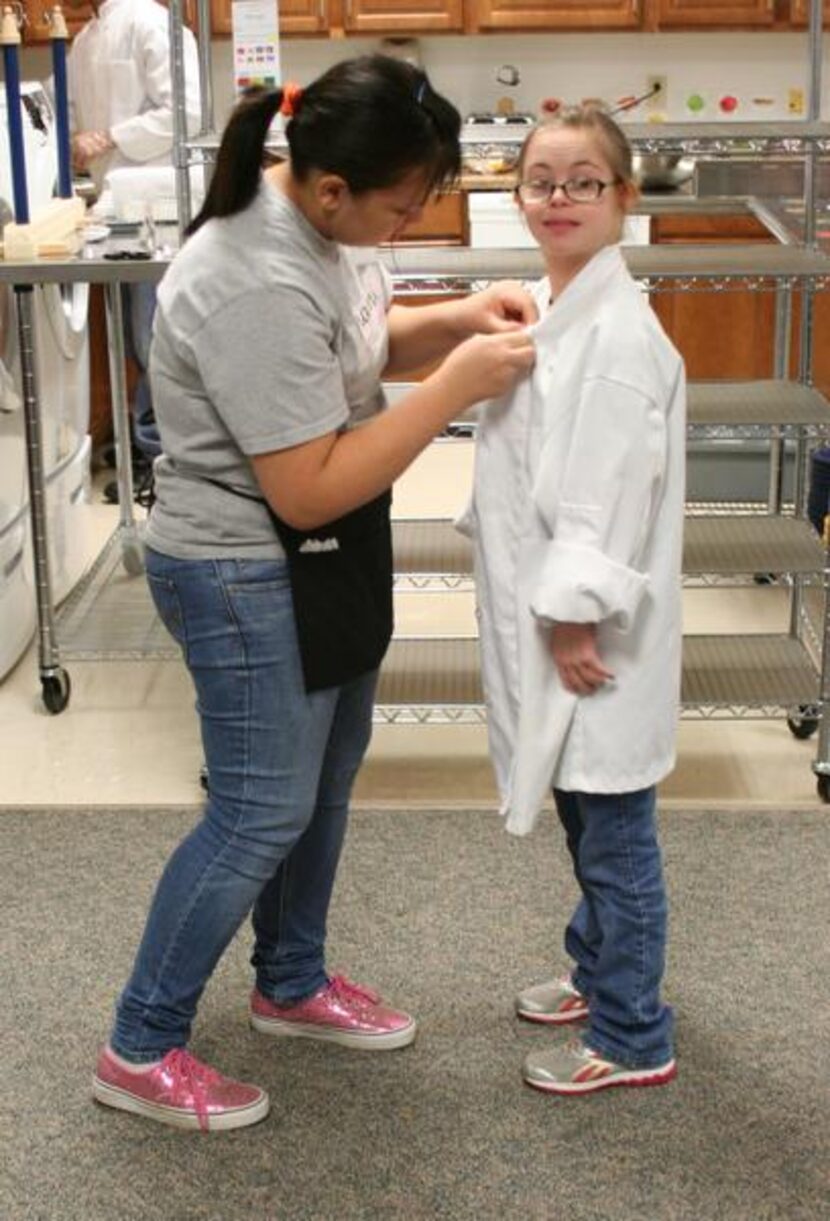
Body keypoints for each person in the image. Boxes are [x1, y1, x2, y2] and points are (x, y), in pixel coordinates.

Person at [91, 55, 537, 1133]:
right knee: (257, 813)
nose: (406, 221)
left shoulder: (320, 234)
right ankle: (138, 1045)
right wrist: (451, 389)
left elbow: (346, 348)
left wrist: (455, 316)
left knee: (321, 784)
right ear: (330, 188)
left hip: (324, 554)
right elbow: (304, 486)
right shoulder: (249, 273)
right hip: (247, 565)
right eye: (400, 205)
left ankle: (289, 980)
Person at [459, 105, 685, 1095]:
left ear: (623, 200)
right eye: (541, 180)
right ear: (516, 197)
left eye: (583, 181)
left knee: (615, 834)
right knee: (586, 816)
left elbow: (599, 496)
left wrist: (571, 619)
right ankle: (597, 974)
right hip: (558, 621)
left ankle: (634, 1033)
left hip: (587, 634)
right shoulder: (560, 313)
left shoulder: (617, 341)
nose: (558, 198)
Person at [63, 0, 201, 476]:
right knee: (132, 338)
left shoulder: (152, 23)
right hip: (113, 207)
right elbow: (75, 115)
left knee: (155, 337)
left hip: (158, 205)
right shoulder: (82, 40)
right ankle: (151, 453)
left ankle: (168, 456)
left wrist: (109, 136)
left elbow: (184, 111)